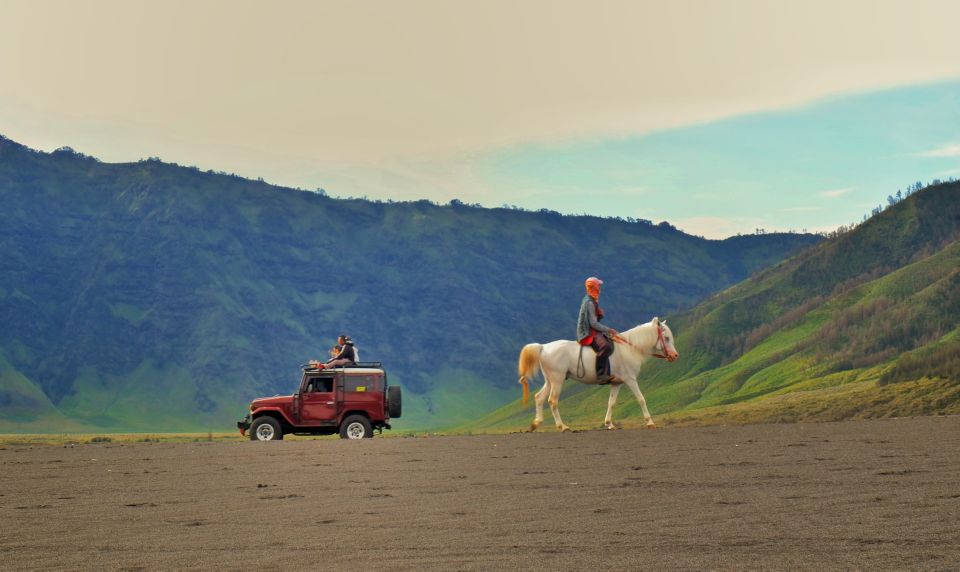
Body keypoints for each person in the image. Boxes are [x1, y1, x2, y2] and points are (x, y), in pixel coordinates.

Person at [576, 277, 625, 384]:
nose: (600, 288)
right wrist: (609, 330)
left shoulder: (591, 300)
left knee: (609, 343)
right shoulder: (589, 303)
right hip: (588, 333)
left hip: (592, 330)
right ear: (594, 287)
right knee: (605, 346)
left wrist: (599, 315)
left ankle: (608, 372)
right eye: (598, 286)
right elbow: (593, 323)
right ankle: (601, 375)